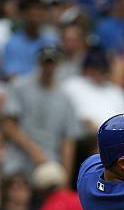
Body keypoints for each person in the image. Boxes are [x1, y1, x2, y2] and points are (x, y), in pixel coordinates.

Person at [2, 46, 80, 180]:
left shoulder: (65, 99)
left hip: (50, 162)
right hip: (19, 158)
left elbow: (68, 141)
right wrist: (35, 152)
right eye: (45, 62)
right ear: (38, 63)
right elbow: (8, 125)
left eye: (52, 63)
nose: (48, 67)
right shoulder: (20, 86)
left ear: (58, 65)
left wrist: (66, 177)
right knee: (15, 182)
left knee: (52, 184)